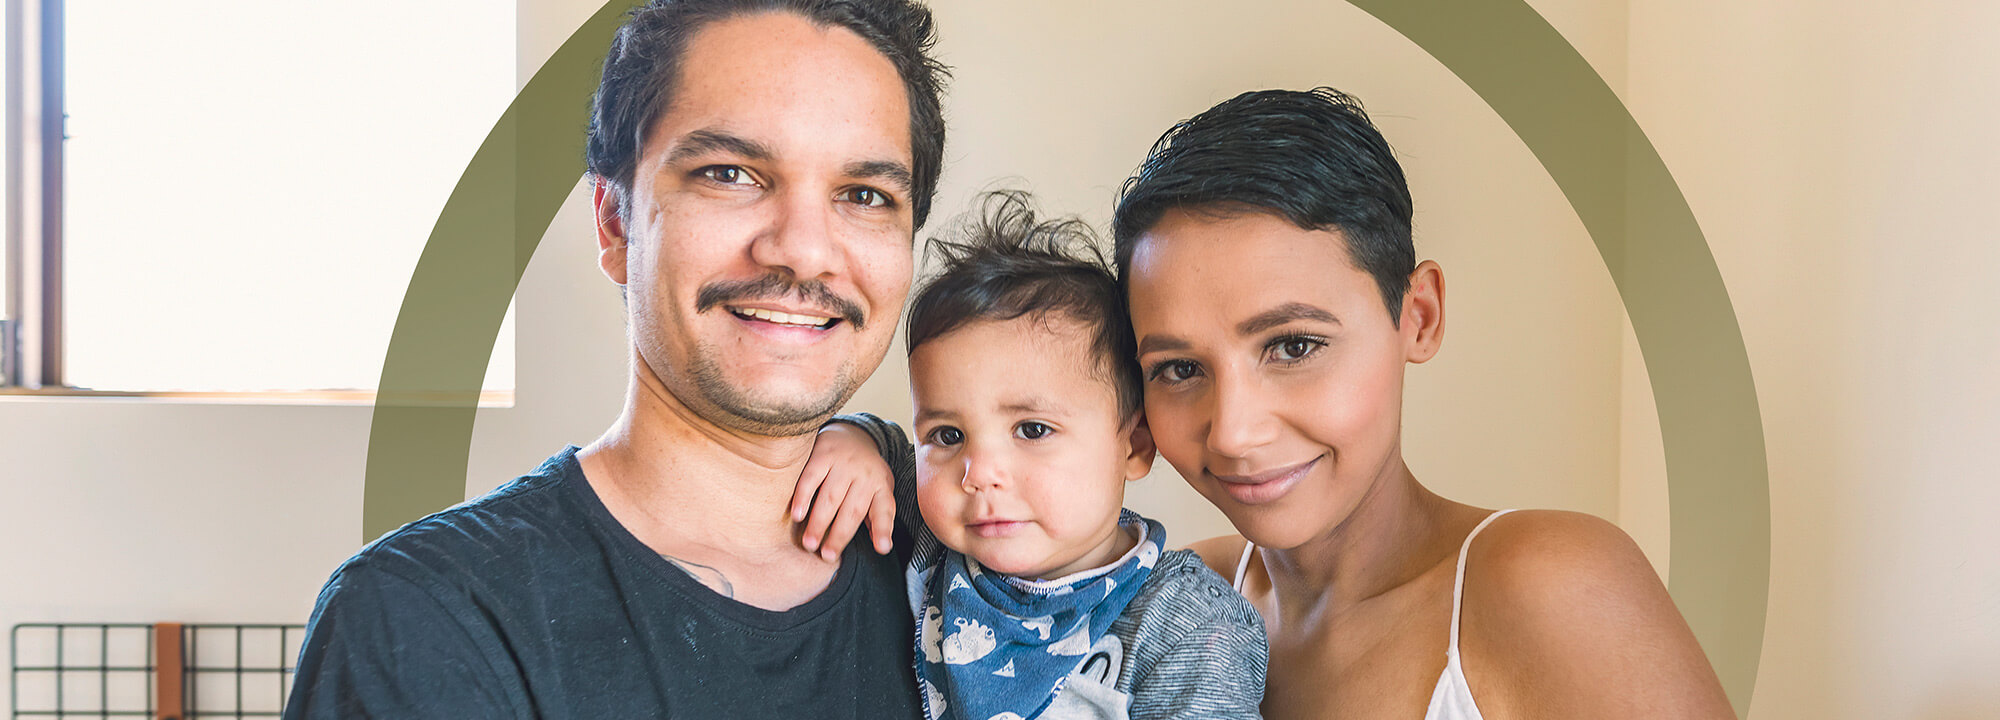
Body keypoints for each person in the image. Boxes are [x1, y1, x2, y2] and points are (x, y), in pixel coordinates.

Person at [283, 1, 948, 717]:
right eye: (729, 174)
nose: (804, 249)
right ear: (613, 222)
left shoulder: (974, 561)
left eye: (864, 194)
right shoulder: (429, 616)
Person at [1110, 88, 1736, 719]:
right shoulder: (1173, 607)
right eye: (1180, 369)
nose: (1234, 434)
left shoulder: (1547, 585)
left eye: (1294, 346)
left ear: (1419, 317)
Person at [803, 191, 1266, 719]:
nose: (978, 475)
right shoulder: (934, 537)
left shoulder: (1182, 624)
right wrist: (850, 438)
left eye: (1032, 429)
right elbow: (888, 450)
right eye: (949, 436)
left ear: (1134, 446)